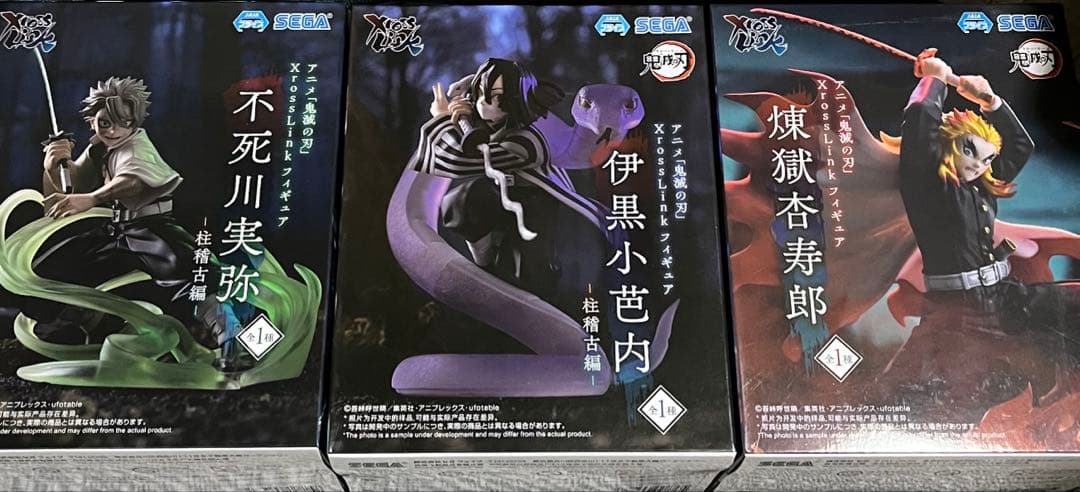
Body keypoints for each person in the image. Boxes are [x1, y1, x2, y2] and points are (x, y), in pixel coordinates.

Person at [879, 50, 1080, 422]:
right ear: (946, 145)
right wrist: (934, 80)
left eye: (987, 159)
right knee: (947, 402)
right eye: (969, 151)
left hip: (1006, 298)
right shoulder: (929, 184)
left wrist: (990, 100)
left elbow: (1020, 146)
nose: (978, 165)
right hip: (957, 314)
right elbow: (920, 131)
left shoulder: (982, 184)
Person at [24, 76, 219, 347]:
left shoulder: (137, 145)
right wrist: (55, 165)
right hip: (118, 231)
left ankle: (250, 342)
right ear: (91, 121)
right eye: (105, 123)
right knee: (48, 270)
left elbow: (131, 181)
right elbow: (72, 188)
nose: (114, 130)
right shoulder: (99, 148)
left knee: (192, 278)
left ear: (134, 121)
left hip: (151, 226)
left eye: (124, 122)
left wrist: (93, 198)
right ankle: (90, 326)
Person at [406, 58, 607, 299]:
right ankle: (483, 265)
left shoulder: (526, 143)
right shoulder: (495, 116)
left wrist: (442, 119)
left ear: (516, 100)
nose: (483, 103)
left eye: (496, 97)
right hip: (499, 197)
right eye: (481, 93)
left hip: (534, 208)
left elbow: (459, 160)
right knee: (461, 202)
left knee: (531, 281)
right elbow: (486, 101)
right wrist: (468, 91)